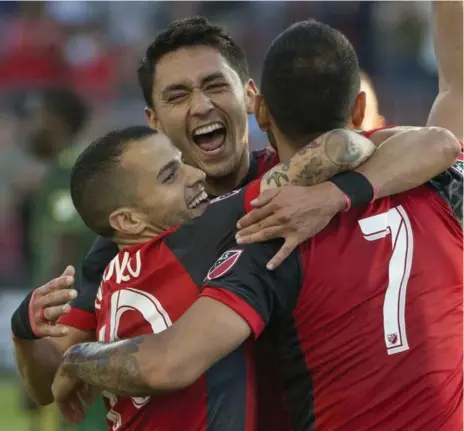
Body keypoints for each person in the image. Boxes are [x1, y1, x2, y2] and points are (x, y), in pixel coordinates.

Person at [12, 7, 462, 426]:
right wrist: (24, 332)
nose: (201, 105)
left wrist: (331, 194)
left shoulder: (296, 175)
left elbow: (433, 144)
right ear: (154, 120)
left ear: (251, 98)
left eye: (214, 86)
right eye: (177, 95)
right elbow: (47, 386)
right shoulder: (120, 242)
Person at [50, 124, 377, 430]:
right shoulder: (191, 240)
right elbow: (340, 148)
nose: (196, 174)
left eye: (181, 162)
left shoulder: (107, 281)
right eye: (170, 176)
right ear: (128, 221)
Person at [18, 88, 105, 431]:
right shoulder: (68, 170)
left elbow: (62, 260)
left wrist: (38, 349)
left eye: (36, 116)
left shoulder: (69, 173)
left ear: (56, 121)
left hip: (77, 330)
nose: (30, 126)